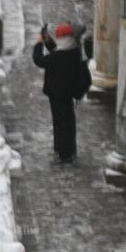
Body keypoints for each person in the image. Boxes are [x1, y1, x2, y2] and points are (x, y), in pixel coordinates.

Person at [34, 22, 90, 165]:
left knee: (60, 124)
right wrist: (47, 39)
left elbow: (39, 60)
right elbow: (55, 49)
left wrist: (39, 43)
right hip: (67, 94)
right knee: (68, 121)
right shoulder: (74, 52)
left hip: (57, 95)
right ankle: (69, 150)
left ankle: (63, 153)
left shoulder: (57, 57)